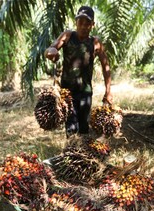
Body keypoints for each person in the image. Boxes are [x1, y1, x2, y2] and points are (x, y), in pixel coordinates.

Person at [44, 6, 113, 137]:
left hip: (85, 92)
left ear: (92, 25)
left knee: (83, 127)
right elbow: (50, 49)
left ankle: (82, 154)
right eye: (80, 22)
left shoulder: (95, 43)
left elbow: (106, 67)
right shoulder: (68, 35)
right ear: (76, 22)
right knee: (71, 126)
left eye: (87, 23)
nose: (83, 26)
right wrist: (51, 52)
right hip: (67, 92)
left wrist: (108, 91)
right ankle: (71, 152)